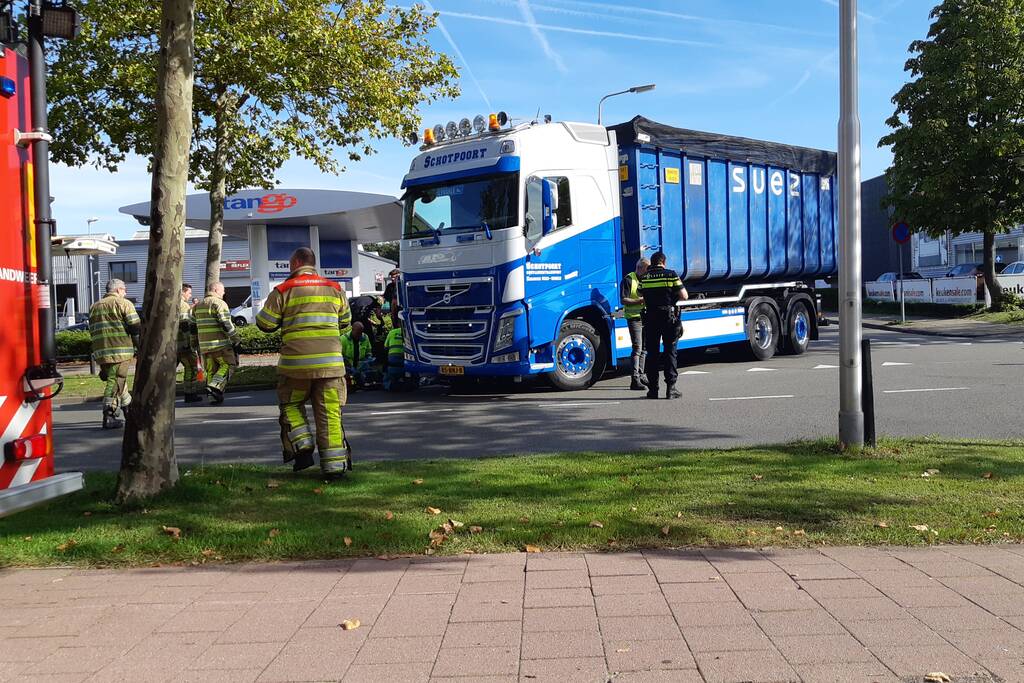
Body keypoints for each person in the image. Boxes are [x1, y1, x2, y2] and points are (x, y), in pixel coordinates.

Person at [256, 247, 353, 475]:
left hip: (295, 368)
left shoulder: (283, 290)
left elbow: (265, 324)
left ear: (297, 262)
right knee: (329, 413)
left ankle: (303, 445)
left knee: (290, 405)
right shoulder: (335, 288)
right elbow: (346, 322)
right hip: (330, 367)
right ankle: (334, 467)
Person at [88, 278, 140, 429]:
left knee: (119, 383)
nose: (125, 292)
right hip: (120, 351)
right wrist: (140, 348)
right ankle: (109, 415)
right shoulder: (124, 303)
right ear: (118, 290)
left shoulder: (94, 306)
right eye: (124, 290)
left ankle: (128, 411)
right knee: (116, 381)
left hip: (101, 352)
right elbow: (135, 328)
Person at [639, 251, 688, 400]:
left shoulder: (644, 277)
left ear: (652, 263)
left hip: (651, 318)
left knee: (652, 354)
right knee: (670, 352)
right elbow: (684, 296)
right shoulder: (671, 274)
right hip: (668, 318)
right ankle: (671, 389)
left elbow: (641, 295)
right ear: (663, 262)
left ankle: (653, 390)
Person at [193, 281, 240, 404]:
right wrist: (236, 338)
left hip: (204, 347)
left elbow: (192, 326)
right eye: (222, 290)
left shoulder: (198, 306)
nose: (224, 293)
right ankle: (215, 386)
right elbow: (226, 323)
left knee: (211, 370)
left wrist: (194, 343)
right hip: (220, 345)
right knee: (229, 365)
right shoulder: (219, 303)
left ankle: (212, 397)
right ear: (215, 290)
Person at [620, 258, 650, 391]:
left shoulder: (646, 278)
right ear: (640, 268)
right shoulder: (628, 279)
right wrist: (640, 300)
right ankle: (635, 379)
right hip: (634, 318)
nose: (648, 272)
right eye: (646, 269)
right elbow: (623, 300)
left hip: (645, 316)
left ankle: (641, 375)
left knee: (644, 348)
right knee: (637, 348)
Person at [177, 283, 202, 403]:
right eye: (189, 292)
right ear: (182, 292)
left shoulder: (174, 304)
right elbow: (185, 326)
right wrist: (191, 343)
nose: (190, 295)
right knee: (191, 368)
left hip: (177, 344)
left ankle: (189, 393)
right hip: (185, 344)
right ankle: (190, 393)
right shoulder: (183, 306)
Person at [342, 321, 377, 388]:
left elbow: (368, 351)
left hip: (361, 365)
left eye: (361, 333)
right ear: (352, 330)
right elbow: (341, 357)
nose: (359, 335)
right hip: (348, 367)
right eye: (357, 333)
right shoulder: (343, 339)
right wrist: (349, 366)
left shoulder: (365, 337)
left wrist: (368, 359)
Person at [383, 310, 408, 391]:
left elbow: (385, 348)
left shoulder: (391, 332)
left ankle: (389, 385)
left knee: (387, 374)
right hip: (404, 359)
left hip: (392, 360)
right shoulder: (407, 332)